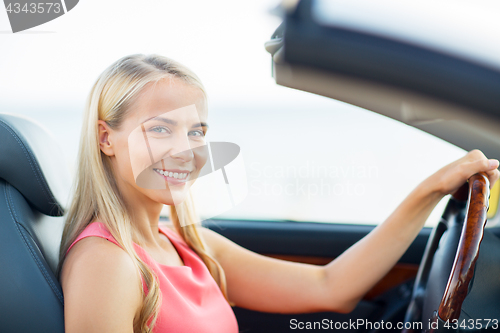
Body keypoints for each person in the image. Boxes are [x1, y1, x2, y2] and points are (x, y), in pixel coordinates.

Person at [57, 54, 500, 333]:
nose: (186, 150)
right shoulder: (106, 262)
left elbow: (331, 287)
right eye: (160, 129)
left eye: (197, 131)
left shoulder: (190, 243)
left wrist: (432, 189)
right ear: (106, 139)